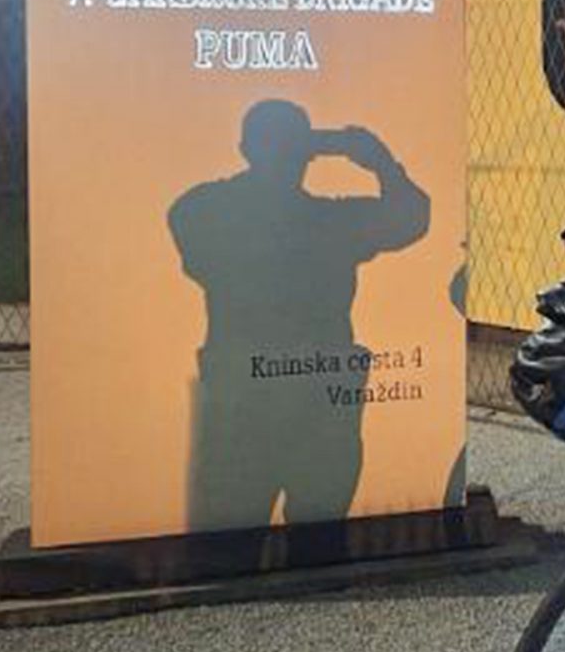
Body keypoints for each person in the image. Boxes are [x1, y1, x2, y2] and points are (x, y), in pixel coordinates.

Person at [170, 99, 430, 531]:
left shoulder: (208, 211)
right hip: (308, 400)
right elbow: (410, 216)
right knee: (314, 532)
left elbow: (413, 220)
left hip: (247, 400)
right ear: (309, 152)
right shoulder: (332, 222)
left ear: (245, 148)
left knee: (235, 536)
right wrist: (380, 162)